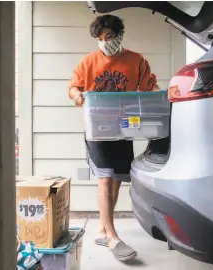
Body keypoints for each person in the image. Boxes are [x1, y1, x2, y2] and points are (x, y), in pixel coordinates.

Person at [68, 14, 160, 261]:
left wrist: (160, 97)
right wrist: (78, 97)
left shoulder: (135, 60)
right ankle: (112, 236)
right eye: (99, 38)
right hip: (97, 129)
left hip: (123, 127)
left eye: (108, 36)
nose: (104, 42)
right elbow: (73, 87)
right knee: (105, 179)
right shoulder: (89, 61)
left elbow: (149, 85)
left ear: (119, 35)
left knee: (117, 178)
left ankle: (101, 229)